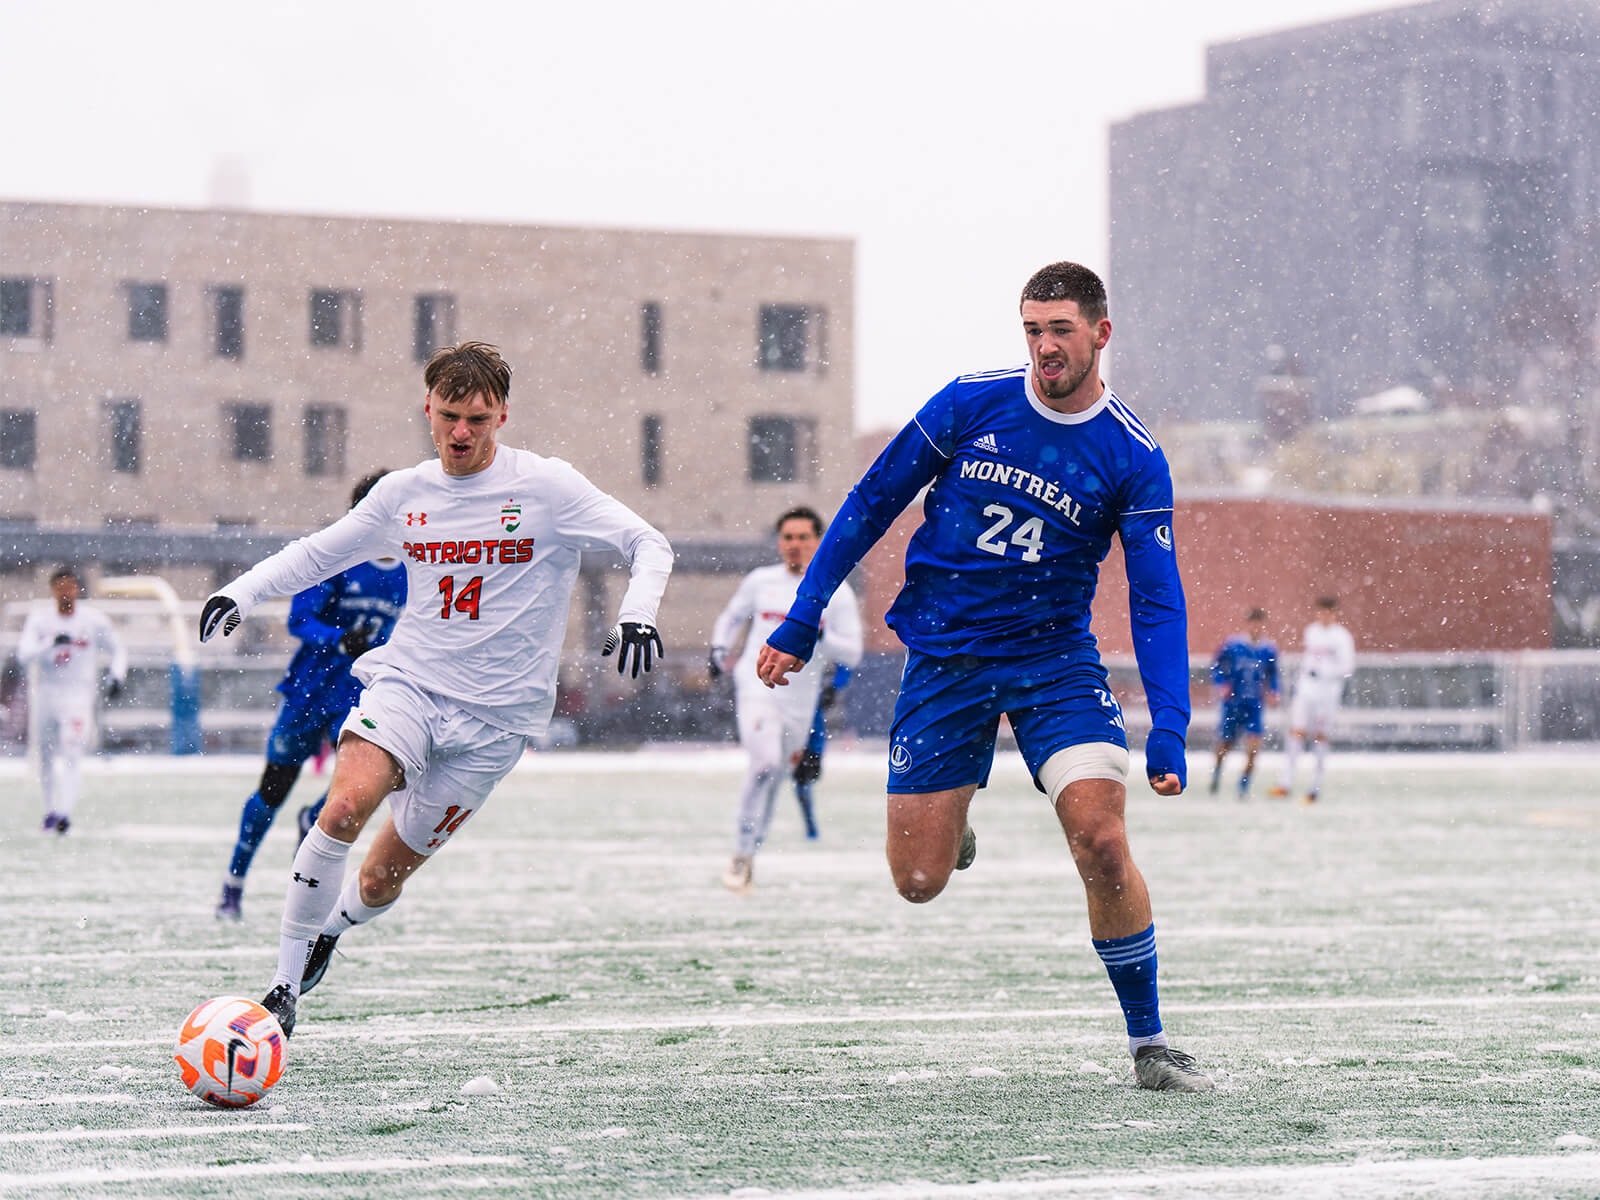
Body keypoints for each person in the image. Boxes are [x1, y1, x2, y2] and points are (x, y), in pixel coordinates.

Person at [756, 262, 1212, 1092]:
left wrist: (1170, 725)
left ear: (1101, 335)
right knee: (919, 882)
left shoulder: (1135, 457)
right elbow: (866, 505)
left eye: (1061, 330)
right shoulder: (970, 402)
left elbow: (1157, 599)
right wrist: (803, 613)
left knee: (1103, 838)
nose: (1044, 347)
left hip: (1054, 663)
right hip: (945, 659)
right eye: (1033, 329)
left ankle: (1150, 1044)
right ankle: (953, 815)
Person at [198, 341, 673, 1038]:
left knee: (380, 880)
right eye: (449, 415)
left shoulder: (547, 487)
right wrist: (241, 591)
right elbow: (317, 552)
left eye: (477, 419)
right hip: (410, 686)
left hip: (499, 721)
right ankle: (281, 990)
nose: (460, 433)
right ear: (427, 408)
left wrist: (638, 611)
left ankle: (332, 929)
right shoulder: (404, 495)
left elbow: (649, 543)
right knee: (342, 810)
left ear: (502, 415)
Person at [214, 471, 407, 921]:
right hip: (309, 691)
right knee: (273, 789)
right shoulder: (335, 559)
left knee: (369, 782)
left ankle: (313, 821)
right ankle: (233, 883)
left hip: (358, 700)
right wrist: (340, 640)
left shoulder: (409, 574)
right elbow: (299, 621)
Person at [710, 506, 861, 893]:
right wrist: (719, 649)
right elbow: (731, 616)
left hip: (800, 700)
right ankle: (740, 856)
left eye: (803, 537)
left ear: (819, 541)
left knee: (774, 778)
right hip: (757, 687)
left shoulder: (836, 592)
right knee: (764, 764)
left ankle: (749, 857)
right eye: (788, 537)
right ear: (780, 542)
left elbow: (854, 652)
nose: (794, 545)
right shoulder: (760, 582)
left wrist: (817, 634)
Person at [15, 566, 127, 835]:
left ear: (77, 589)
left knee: (72, 751)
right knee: (45, 754)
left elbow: (118, 648)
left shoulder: (92, 621)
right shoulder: (40, 621)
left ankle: (65, 813)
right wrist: (50, 643)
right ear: (53, 590)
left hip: (77, 695)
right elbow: (23, 655)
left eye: (71, 587)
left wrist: (116, 676)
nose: (66, 593)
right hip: (47, 693)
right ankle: (51, 810)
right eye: (61, 587)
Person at [1270, 595, 1356, 805]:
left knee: (1320, 737)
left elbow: (1347, 667)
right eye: (1320, 611)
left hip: (1328, 692)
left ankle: (1314, 788)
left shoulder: (1342, 637)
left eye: (1328, 612)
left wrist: (1326, 673)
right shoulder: (1311, 631)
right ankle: (1286, 783)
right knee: (1296, 732)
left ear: (1335, 613)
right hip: (1307, 688)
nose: (1324, 616)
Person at [1207, 608, 1278, 799]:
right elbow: (1216, 666)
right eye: (1253, 623)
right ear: (1247, 625)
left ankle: (1243, 787)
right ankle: (1216, 773)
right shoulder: (1233, 645)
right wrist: (1222, 684)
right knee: (1225, 746)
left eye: (1260, 624)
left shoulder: (1268, 649)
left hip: (1254, 705)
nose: (1256, 627)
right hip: (1233, 703)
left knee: (1254, 747)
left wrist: (1273, 691)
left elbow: (1273, 674)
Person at [792, 661, 851, 839]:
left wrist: (834, 686)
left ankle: (811, 827)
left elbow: (846, 661)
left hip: (807, 714)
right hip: (788, 708)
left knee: (803, 777)